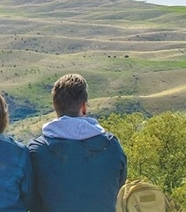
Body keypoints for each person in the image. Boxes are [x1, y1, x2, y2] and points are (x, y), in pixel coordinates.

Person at [28, 73, 127, 212]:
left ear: (55, 107)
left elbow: (29, 198)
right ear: (84, 107)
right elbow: (118, 184)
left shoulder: (37, 151)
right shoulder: (112, 147)